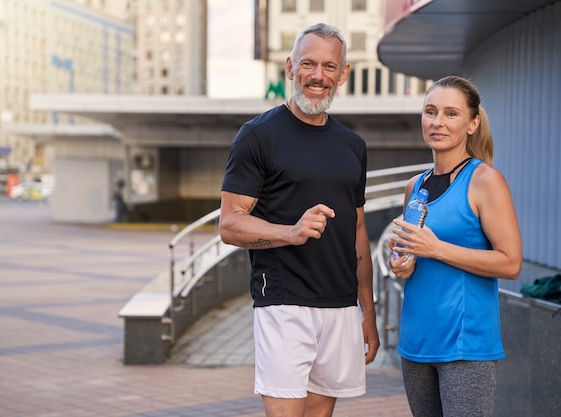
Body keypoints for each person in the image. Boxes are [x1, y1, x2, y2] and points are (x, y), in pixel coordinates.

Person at [219, 23, 379, 417]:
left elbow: (357, 231)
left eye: (329, 66)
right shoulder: (257, 136)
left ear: (343, 74)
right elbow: (229, 224)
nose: (317, 76)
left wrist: (368, 312)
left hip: (341, 307)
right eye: (308, 64)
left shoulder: (352, 146)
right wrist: (290, 232)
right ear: (290, 68)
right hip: (284, 302)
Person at [388, 75, 522, 417]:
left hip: (465, 347)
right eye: (430, 112)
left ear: (472, 123)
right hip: (415, 343)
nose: (437, 122)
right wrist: (402, 262)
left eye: (451, 113)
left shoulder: (485, 180)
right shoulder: (413, 186)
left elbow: (510, 263)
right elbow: (412, 256)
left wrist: (437, 249)